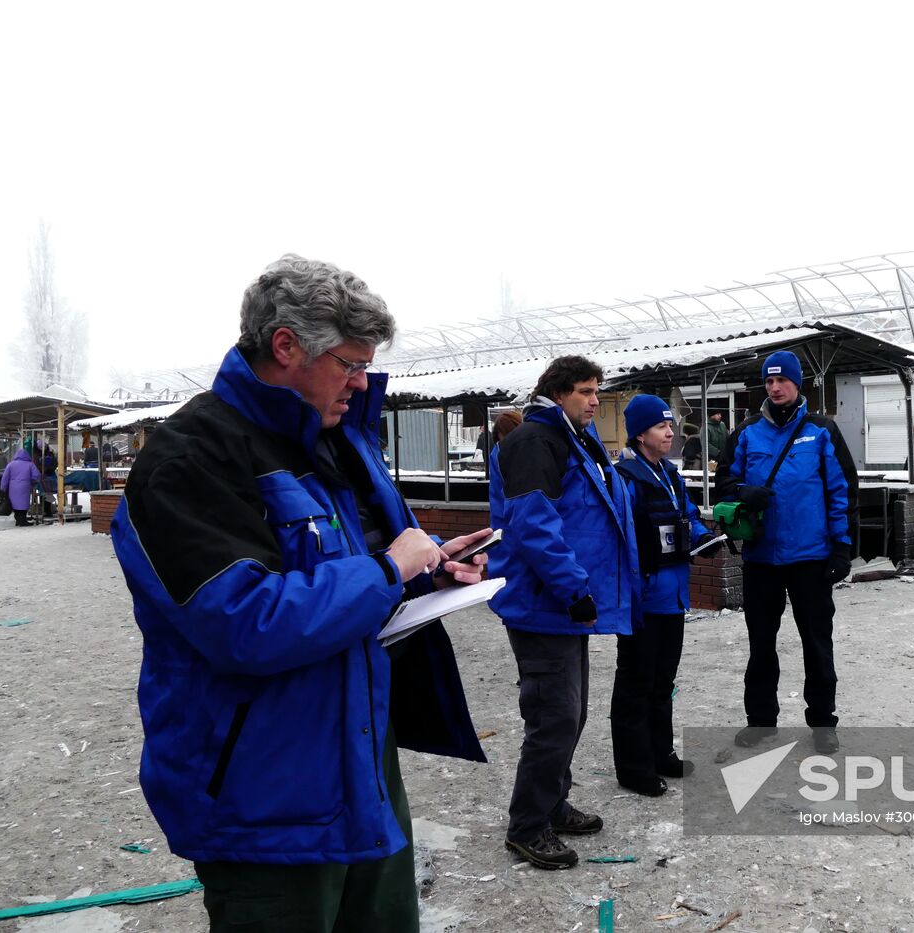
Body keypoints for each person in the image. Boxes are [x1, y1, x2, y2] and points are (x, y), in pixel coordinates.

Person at [111, 254, 489, 932]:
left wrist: (422, 568)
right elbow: (242, 620)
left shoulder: (335, 439)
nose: (362, 380)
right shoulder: (190, 459)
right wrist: (386, 573)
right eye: (349, 362)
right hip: (263, 794)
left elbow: (353, 567)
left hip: (357, 759)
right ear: (286, 346)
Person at [487, 355, 639, 870]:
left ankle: (552, 804)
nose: (596, 400)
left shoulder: (571, 438)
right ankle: (527, 826)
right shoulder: (535, 441)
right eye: (585, 391)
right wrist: (574, 589)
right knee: (553, 719)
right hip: (542, 603)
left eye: (597, 390)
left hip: (565, 606)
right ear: (557, 393)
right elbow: (533, 525)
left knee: (571, 715)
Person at [714, 350, 858, 755]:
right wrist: (743, 491)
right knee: (761, 645)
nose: (775, 388)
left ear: (798, 384)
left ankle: (823, 724)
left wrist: (842, 548)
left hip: (811, 559)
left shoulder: (822, 431)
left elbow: (842, 492)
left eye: (783, 381)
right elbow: (723, 481)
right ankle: (761, 723)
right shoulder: (746, 433)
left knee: (816, 643)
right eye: (769, 381)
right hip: (761, 560)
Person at [611, 396, 719, 797]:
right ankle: (633, 767)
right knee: (636, 682)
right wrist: (635, 588)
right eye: (661, 427)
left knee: (663, 680)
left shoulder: (670, 475)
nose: (670, 432)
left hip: (673, 596)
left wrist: (705, 537)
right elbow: (623, 536)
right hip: (644, 597)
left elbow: (687, 514)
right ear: (641, 434)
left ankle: (660, 753)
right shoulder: (625, 478)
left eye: (671, 426)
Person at [0, 446, 40, 527]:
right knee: (23, 504)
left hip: (13, 487)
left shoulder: (11, 464)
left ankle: (18, 520)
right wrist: (32, 483)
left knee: (15, 504)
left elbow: (5, 477)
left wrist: (3, 487)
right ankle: (23, 520)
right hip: (25, 486)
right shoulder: (30, 464)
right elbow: (36, 475)